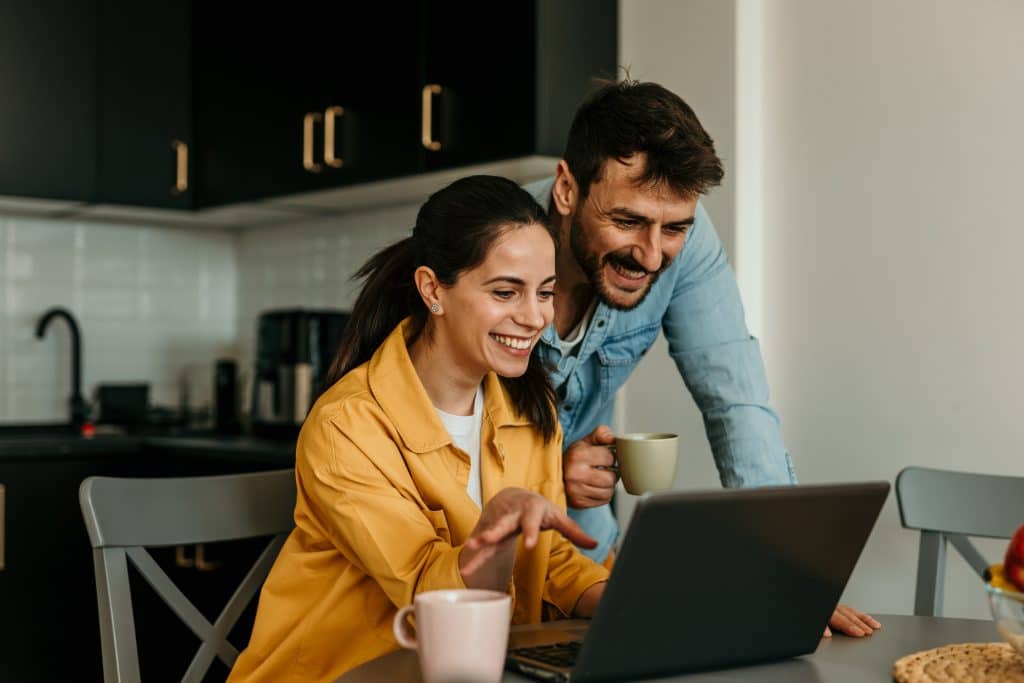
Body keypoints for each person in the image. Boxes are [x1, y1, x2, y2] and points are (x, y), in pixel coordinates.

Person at [527, 79, 879, 638]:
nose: (650, 254)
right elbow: (439, 445)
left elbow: (737, 403)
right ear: (568, 190)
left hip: (586, 551)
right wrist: (544, 473)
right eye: (627, 221)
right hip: (483, 558)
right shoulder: (494, 246)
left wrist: (784, 569)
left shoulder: (686, 243)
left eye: (674, 228)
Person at [228, 176, 609, 682]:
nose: (535, 316)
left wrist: (626, 604)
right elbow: (429, 591)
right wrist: (494, 536)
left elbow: (551, 560)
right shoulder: (348, 426)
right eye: (504, 291)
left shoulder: (529, 407)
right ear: (433, 289)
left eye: (545, 292)